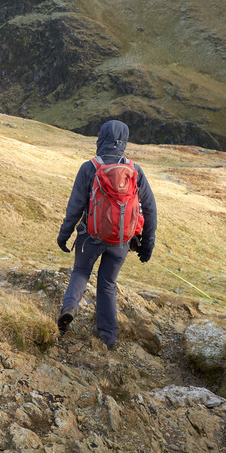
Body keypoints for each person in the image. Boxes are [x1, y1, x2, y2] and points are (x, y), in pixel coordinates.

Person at [56, 120, 156, 351]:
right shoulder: (135, 170)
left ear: (102, 139)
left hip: (90, 237)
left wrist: (64, 235)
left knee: (81, 271)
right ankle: (108, 336)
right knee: (108, 283)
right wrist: (146, 245)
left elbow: (75, 207)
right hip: (121, 241)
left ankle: (69, 309)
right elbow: (150, 209)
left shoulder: (89, 168)